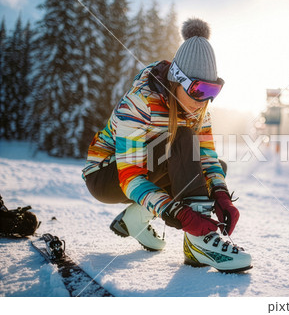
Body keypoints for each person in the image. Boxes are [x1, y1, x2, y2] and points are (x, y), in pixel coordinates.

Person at [82, 18, 251, 273]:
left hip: (146, 168)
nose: (204, 99)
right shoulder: (141, 102)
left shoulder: (199, 110)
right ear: (177, 80)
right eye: (198, 89)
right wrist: (178, 213)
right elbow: (130, 177)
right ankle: (199, 245)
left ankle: (136, 218)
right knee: (182, 140)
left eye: (212, 90)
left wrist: (220, 195)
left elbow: (207, 158)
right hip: (107, 174)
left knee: (210, 168)